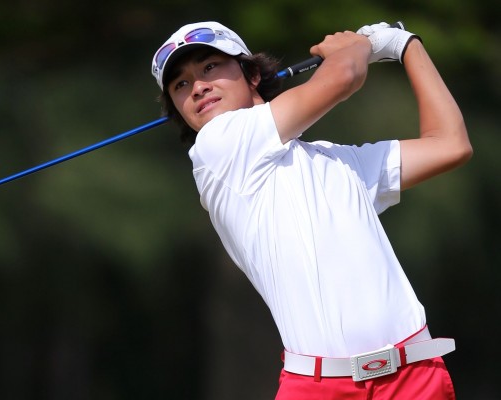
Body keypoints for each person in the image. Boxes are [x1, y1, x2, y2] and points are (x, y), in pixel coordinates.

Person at [150, 20, 471, 400]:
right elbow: (343, 76)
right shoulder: (217, 148)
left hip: (413, 376)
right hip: (319, 388)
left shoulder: (339, 162)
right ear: (180, 111)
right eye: (180, 85)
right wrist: (361, 45)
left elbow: (450, 145)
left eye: (209, 68)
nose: (198, 86)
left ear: (251, 74)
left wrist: (407, 46)